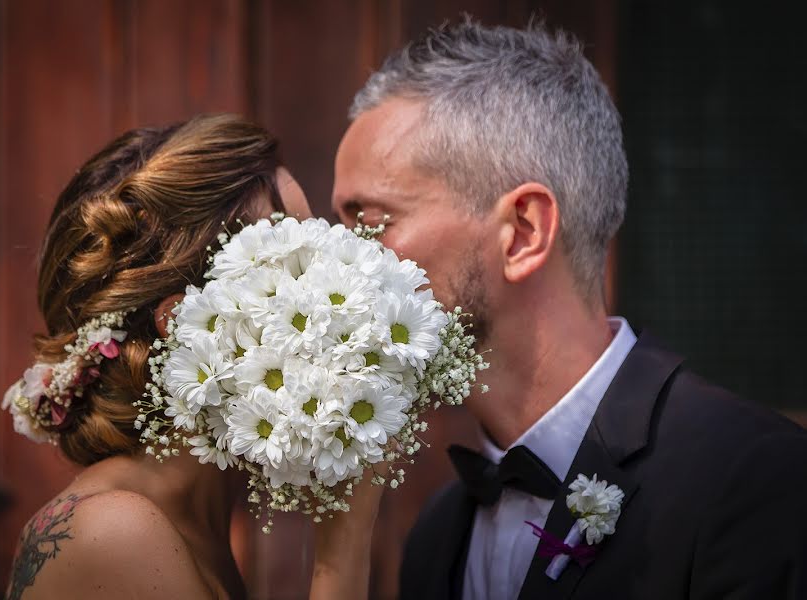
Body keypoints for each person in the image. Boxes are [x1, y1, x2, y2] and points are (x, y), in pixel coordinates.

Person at [333, 19, 807, 600]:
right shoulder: (436, 535)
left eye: (370, 223)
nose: (341, 266)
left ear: (523, 232)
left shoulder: (755, 483)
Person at [4, 114, 381, 600]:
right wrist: (343, 542)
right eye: (299, 257)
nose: (332, 283)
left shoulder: (190, 517)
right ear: (188, 320)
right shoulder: (113, 531)